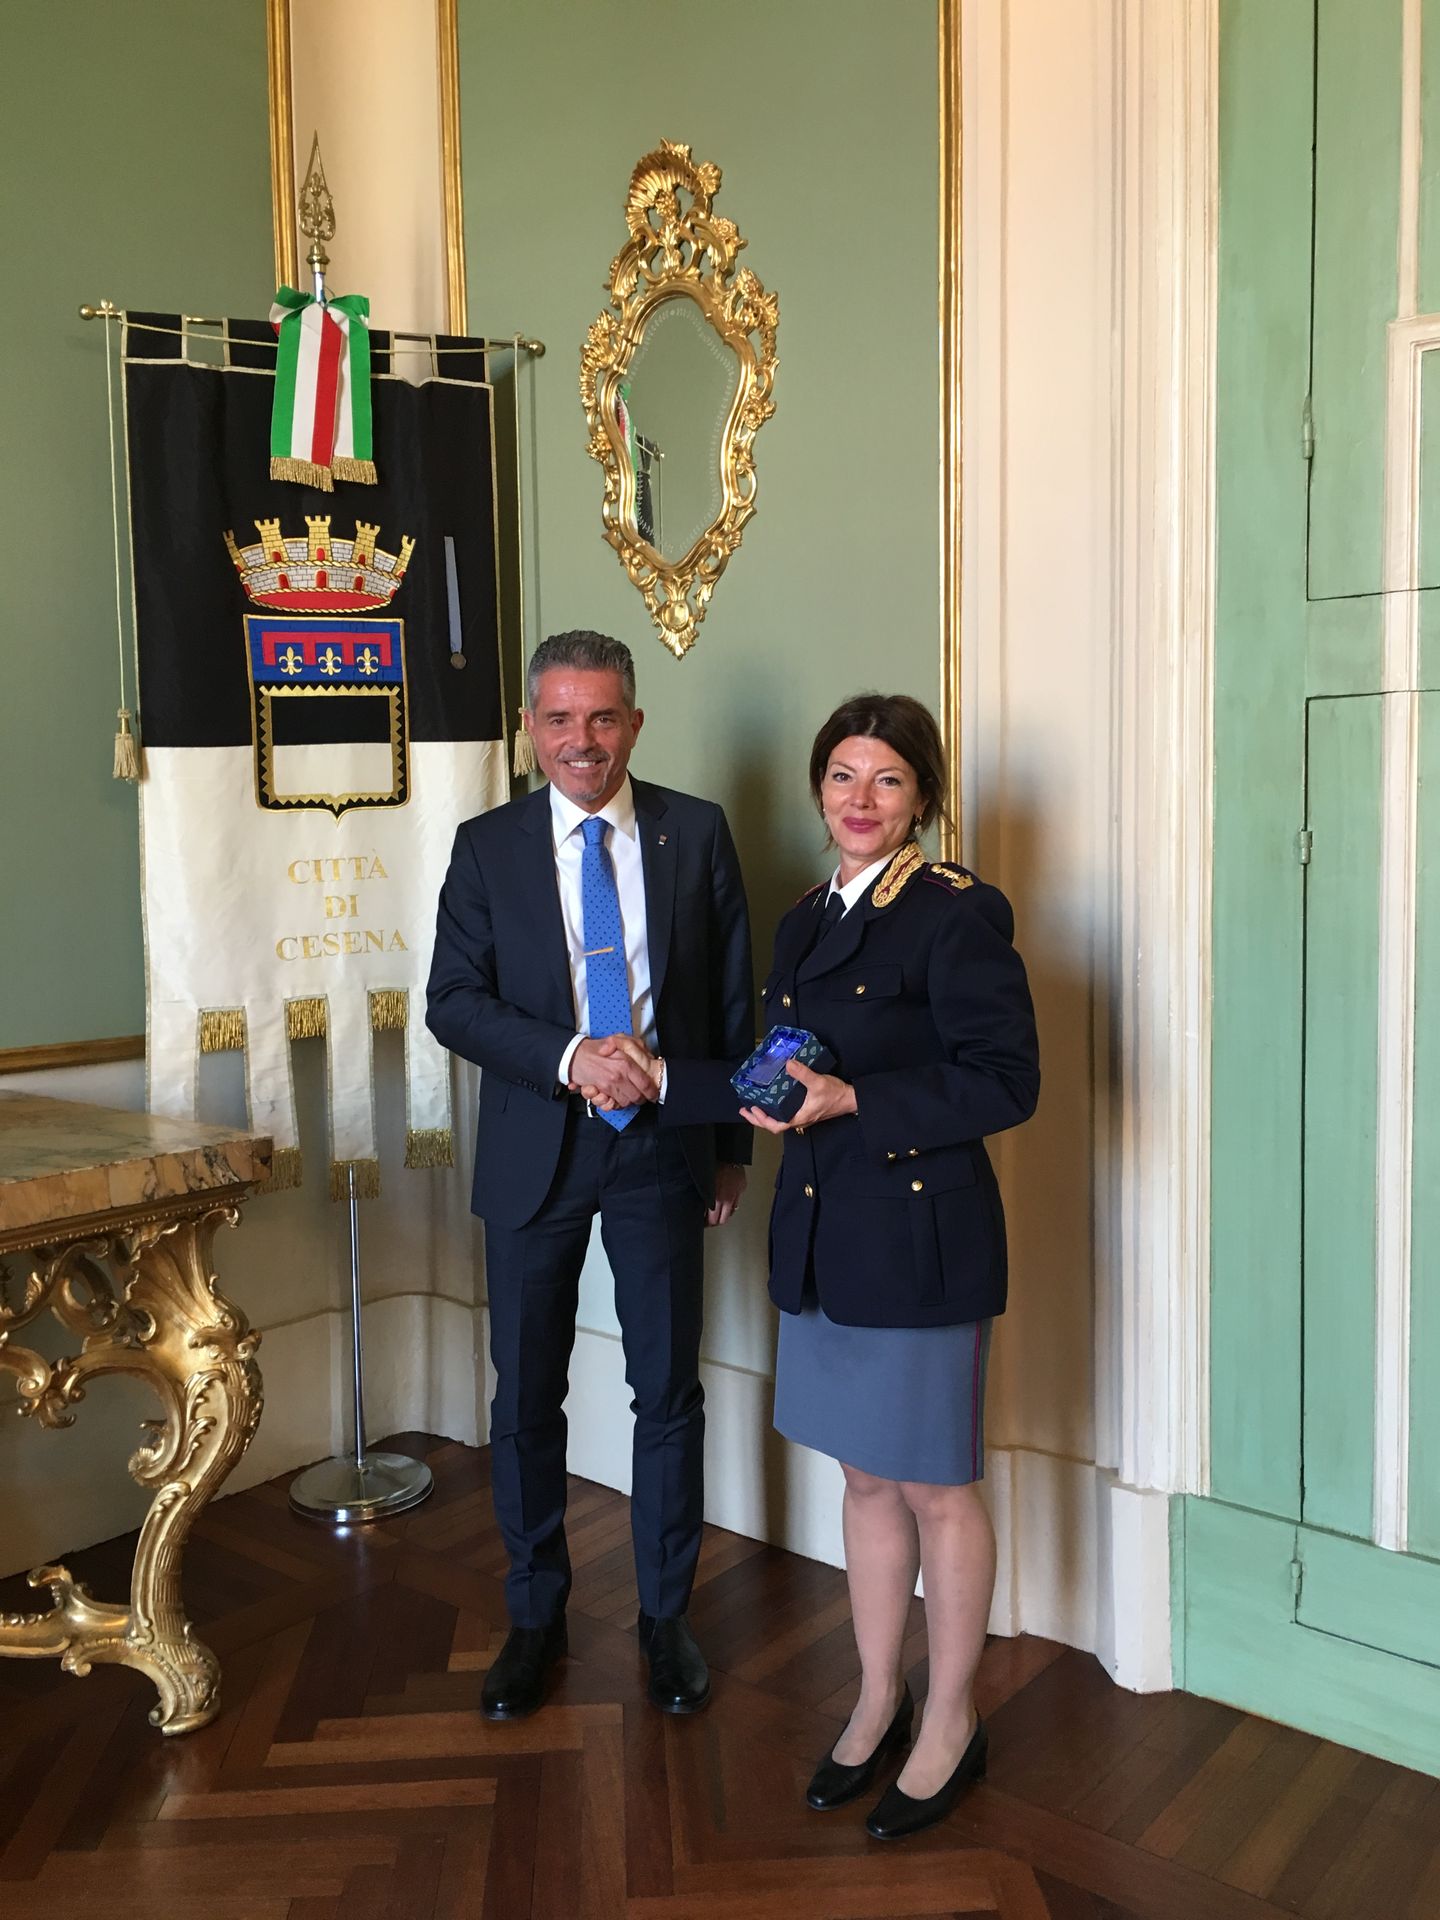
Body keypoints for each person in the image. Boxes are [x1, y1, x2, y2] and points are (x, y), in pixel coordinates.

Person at [602, 692, 1038, 1839]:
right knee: (866, 1483)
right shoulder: (804, 918)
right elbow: (772, 1073)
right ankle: (880, 1695)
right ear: (819, 789)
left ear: (922, 797)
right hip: (825, 1240)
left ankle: (953, 1719)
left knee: (937, 1489)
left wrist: (858, 1101)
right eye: (842, 775)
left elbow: (1007, 1081)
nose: (860, 798)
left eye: (887, 778)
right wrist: (663, 1079)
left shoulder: (955, 913)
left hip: (919, 1243)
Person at [425, 630, 754, 1721]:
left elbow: (731, 999)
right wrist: (572, 1056)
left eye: (603, 717)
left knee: (667, 1392)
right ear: (531, 728)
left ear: (635, 724)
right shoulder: (486, 848)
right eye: (560, 718)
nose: (583, 739)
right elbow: (452, 1002)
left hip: (661, 1149)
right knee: (526, 1397)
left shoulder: (695, 831)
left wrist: (730, 1145)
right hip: (537, 1153)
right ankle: (536, 1619)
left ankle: (666, 1621)